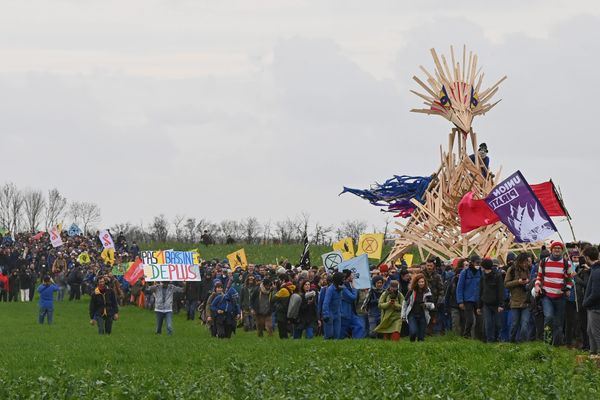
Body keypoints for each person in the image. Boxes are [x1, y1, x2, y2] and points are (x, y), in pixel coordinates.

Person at [533, 241, 573, 346]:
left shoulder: (567, 263)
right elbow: (539, 277)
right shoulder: (544, 261)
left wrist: (568, 289)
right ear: (551, 250)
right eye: (555, 248)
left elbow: (570, 278)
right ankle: (547, 342)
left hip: (560, 296)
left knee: (558, 323)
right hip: (547, 296)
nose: (557, 250)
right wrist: (537, 286)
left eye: (559, 248)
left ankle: (556, 345)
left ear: (562, 250)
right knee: (549, 317)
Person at [505, 253, 532, 342]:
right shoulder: (511, 269)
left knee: (525, 324)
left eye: (527, 262)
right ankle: (511, 342)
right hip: (515, 301)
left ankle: (523, 343)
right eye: (524, 261)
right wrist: (518, 282)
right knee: (515, 324)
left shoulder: (529, 269)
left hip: (526, 301)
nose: (525, 263)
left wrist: (528, 283)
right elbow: (506, 284)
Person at [478, 258, 505, 343]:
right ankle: (490, 341)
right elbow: (480, 290)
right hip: (486, 303)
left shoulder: (497, 276)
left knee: (498, 324)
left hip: (496, 304)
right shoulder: (482, 276)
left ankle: (497, 339)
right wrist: (479, 306)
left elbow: (501, 290)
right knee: (488, 324)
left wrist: (501, 304)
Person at [402, 274, 435, 342]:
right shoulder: (411, 291)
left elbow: (432, 305)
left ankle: (419, 349)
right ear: (416, 282)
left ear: (425, 282)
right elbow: (405, 303)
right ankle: (412, 342)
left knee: (421, 337)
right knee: (413, 331)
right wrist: (403, 315)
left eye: (422, 282)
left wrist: (425, 305)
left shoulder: (427, 292)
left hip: (423, 315)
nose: (421, 283)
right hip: (412, 314)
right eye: (419, 282)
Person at [457, 255, 483, 339]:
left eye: (479, 263)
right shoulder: (464, 272)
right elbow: (459, 287)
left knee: (480, 321)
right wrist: (460, 301)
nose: (478, 264)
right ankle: (466, 336)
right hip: (468, 299)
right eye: (477, 263)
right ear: (472, 263)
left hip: (478, 300)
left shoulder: (481, 272)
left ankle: (478, 338)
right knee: (470, 320)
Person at [582, 246, 600, 357]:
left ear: (587, 258)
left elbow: (596, 293)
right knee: (590, 331)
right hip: (592, 307)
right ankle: (593, 354)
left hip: (596, 307)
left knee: (596, 333)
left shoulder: (597, 271)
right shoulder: (594, 270)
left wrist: (585, 302)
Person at [322, 272, 344, 340]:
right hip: (330, 314)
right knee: (329, 334)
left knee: (337, 334)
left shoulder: (340, 289)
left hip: (337, 313)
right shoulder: (330, 289)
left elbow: (340, 302)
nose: (343, 281)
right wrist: (326, 314)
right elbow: (326, 303)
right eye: (342, 279)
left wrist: (340, 311)